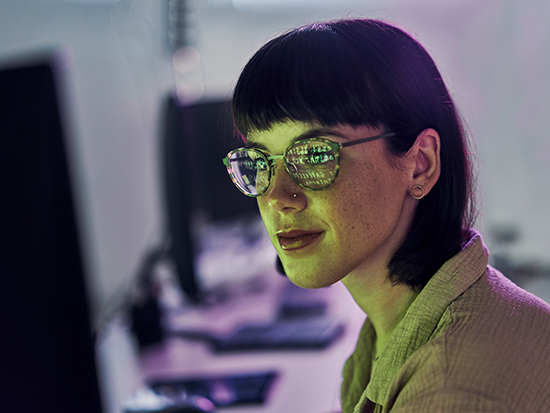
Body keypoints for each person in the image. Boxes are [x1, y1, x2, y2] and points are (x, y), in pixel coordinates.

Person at [222, 18, 550, 413]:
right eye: (259, 160)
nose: (278, 197)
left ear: (420, 164)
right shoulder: (399, 324)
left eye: (315, 155)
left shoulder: (452, 390)